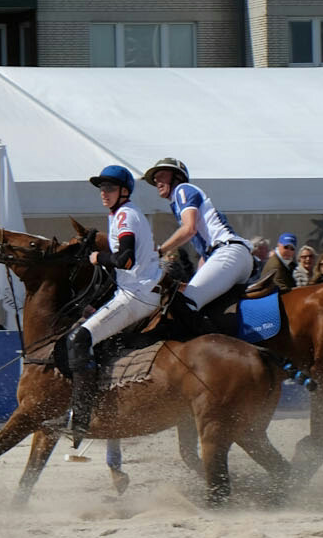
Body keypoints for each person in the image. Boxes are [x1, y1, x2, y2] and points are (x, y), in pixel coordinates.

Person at [60, 165, 159, 450]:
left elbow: (125, 260)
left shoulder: (126, 214)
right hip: (138, 290)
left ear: (124, 191)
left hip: (136, 295)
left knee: (79, 339)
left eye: (110, 188)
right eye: (102, 189)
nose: (104, 193)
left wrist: (96, 257)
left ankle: (80, 417)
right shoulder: (121, 214)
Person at [144, 158, 251, 339]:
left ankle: (214, 348)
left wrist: (160, 252)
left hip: (228, 254)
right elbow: (204, 255)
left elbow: (189, 229)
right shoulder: (180, 199)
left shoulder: (182, 190)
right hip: (233, 256)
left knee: (184, 305)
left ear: (177, 176)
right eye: (155, 179)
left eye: (161, 175)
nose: (157, 181)